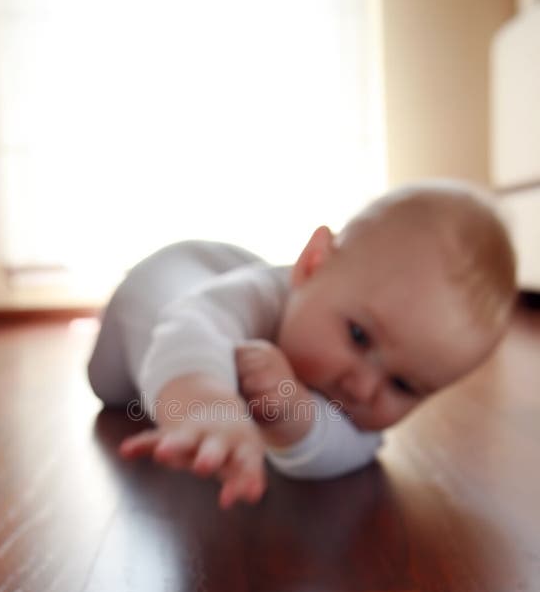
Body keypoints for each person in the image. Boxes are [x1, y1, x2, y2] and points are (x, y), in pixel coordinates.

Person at [88, 180, 517, 509]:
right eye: (358, 336)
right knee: (110, 391)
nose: (363, 388)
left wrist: (294, 416)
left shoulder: (349, 374)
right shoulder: (251, 298)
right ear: (313, 265)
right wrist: (205, 406)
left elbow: (353, 448)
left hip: (214, 278)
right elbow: (192, 326)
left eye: (403, 386)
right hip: (152, 294)